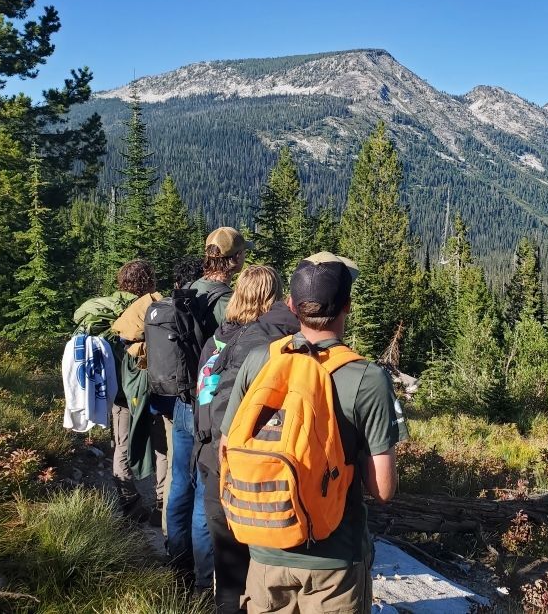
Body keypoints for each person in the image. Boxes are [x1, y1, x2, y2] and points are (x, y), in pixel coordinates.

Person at [220, 252, 406, 614]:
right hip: (334, 560)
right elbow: (383, 489)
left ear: (291, 305)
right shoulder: (366, 378)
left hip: (263, 550)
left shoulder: (261, 360)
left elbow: (228, 447)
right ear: (346, 306)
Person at [195, 265, 299, 614]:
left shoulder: (217, 339)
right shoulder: (272, 343)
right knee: (260, 566)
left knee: (228, 567)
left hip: (211, 456)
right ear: (272, 297)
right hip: (253, 464)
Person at [165, 227, 251, 590]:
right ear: (232, 260)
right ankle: (203, 583)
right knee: (205, 491)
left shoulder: (190, 290)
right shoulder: (223, 300)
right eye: (242, 254)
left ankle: (176, 562)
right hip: (208, 406)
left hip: (182, 401)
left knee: (179, 482)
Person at [107, 260, 167, 520]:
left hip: (120, 392)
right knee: (161, 446)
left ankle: (129, 502)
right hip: (150, 386)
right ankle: (162, 503)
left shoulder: (110, 309)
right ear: (148, 280)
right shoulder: (152, 306)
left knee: (122, 444)